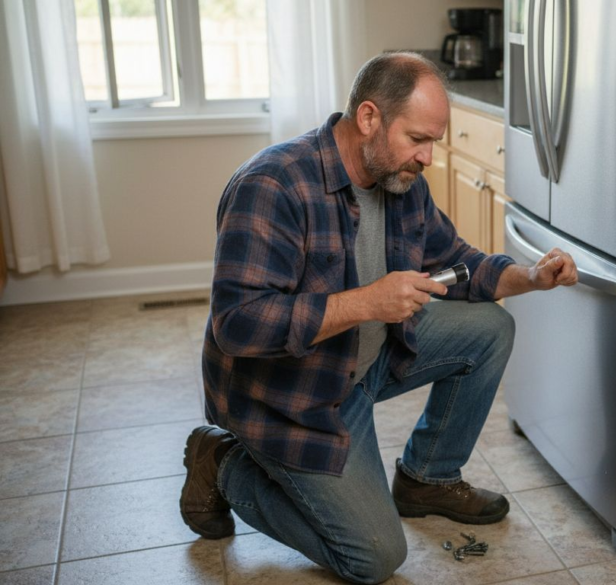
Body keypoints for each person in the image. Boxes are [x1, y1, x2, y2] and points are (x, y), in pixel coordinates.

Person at [178, 52, 578, 584]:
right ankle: (222, 464)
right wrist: (367, 302)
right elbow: (238, 324)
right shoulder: (273, 185)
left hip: (363, 363)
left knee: (489, 328)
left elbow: (459, 262)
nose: (428, 157)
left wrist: (530, 276)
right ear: (369, 117)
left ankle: (427, 478)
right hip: (290, 399)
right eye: (417, 139)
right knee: (374, 557)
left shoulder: (400, 182)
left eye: (434, 141)